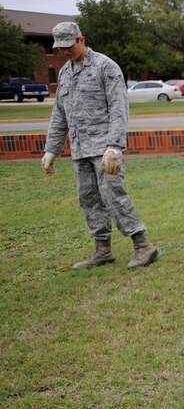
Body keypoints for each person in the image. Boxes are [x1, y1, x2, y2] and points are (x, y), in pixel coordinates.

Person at [41, 22, 158, 270]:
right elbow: (59, 114)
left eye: (68, 45)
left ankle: (143, 245)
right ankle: (103, 250)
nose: (65, 51)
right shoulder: (64, 73)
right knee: (89, 199)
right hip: (80, 149)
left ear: (81, 39)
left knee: (113, 194)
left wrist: (115, 145)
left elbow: (119, 108)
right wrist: (51, 149)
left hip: (105, 149)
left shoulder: (106, 67)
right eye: (60, 48)